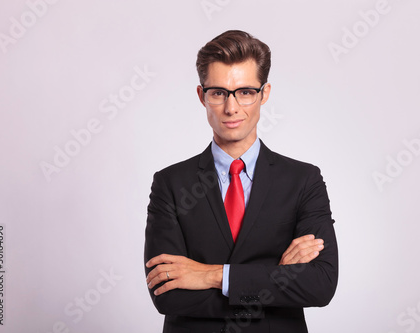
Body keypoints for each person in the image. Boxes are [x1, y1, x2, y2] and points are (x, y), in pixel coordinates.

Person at [144, 30, 338, 333]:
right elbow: (167, 295)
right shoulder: (170, 183)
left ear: (264, 93)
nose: (231, 108)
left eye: (245, 92)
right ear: (201, 96)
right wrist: (275, 279)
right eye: (219, 92)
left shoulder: (303, 180)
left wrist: (213, 276)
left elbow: (320, 284)